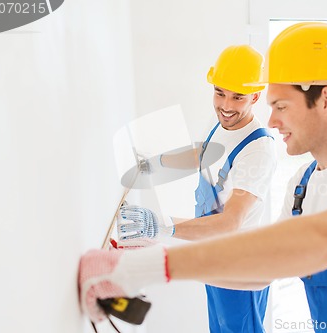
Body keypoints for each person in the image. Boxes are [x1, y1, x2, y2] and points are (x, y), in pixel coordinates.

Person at [80, 22, 327, 332]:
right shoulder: (303, 185)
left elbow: (323, 240)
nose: (271, 122)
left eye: (281, 107)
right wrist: (149, 263)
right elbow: (262, 270)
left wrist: (142, 266)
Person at [114, 44, 277, 333]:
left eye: (238, 97)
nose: (226, 105)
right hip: (213, 254)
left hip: (241, 265)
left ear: (255, 95)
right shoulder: (222, 124)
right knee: (220, 328)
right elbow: (200, 153)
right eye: (220, 93)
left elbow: (230, 222)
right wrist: (155, 164)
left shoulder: (258, 150)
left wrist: (161, 225)